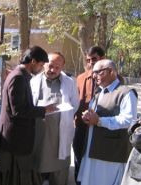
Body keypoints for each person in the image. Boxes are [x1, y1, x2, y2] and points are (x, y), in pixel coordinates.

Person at [0, 46, 57, 185]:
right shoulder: (18, 77)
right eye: (41, 65)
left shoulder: (21, 75)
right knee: (15, 176)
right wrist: (44, 110)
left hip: (16, 138)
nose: (41, 68)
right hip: (14, 139)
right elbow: (19, 110)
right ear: (33, 61)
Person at [78, 59, 138, 185]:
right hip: (92, 150)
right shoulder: (99, 92)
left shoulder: (125, 93)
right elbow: (95, 116)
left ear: (111, 71)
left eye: (98, 72)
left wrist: (99, 121)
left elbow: (128, 120)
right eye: (93, 72)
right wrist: (88, 117)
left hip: (110, 154)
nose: (94, 76)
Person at [30, 52, 79, 185]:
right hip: (39, 133)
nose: (53, 70)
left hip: (59, 134)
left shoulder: (69, 82)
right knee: (37, 167)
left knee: (59, 169)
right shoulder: (33, 81)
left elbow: (75, 104)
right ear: (44, 63)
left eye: (57, 67)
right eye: (50, 66)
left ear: (62, 67)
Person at [73, 46, 105, 184]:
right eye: (88, 60)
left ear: (102, 58)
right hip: (81, 125)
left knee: (96, 159)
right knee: (78, 155)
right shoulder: (80, 78)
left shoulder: (112, 78)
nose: (91, 62)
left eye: (94, 59)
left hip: (101, 125)